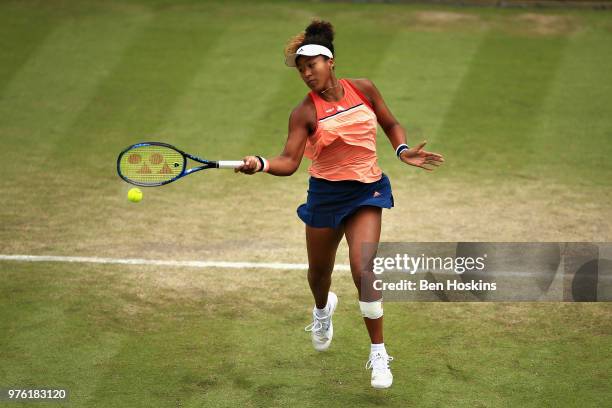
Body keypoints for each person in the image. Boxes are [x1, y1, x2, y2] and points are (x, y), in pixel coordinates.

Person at [236, 20, 444, 389]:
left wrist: (401, 150)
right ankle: (321, 310)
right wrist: (262, 163)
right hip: (326, 196)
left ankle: (378, 353)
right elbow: (289, 162)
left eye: (311, 65)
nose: (306, 73)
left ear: (330, 61)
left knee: (363, 267)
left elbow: (391, 123)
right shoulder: (304, 112)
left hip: (367, 191)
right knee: (319, 274)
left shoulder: (362, 88)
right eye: (301, 69)